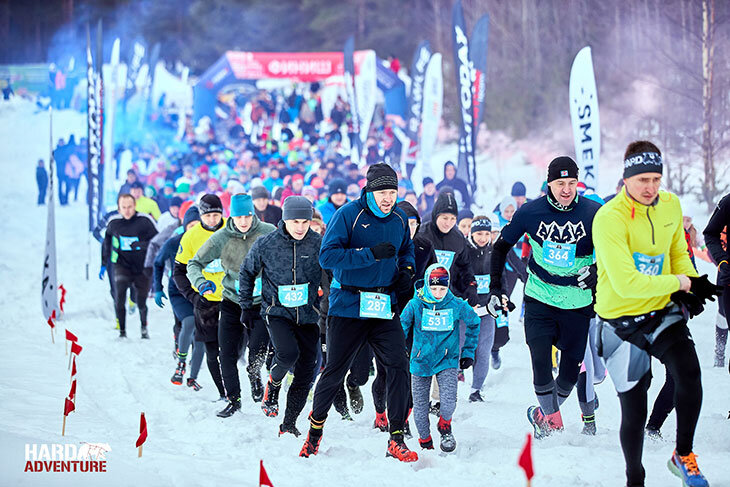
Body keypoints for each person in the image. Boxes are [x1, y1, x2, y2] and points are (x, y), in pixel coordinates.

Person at [594, 141, 720, 487]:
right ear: (625, 178)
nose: (650, 187)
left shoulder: (670, 205)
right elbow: (626, 283)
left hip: (659, 310)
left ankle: (684, 454)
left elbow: (678, 251)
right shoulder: (608, 219)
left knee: (688, 373)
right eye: (642, 180)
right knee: (635, 409)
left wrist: (691, 282)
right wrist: (680, 283)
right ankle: (635, 476)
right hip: (619, 322)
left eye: (656, 179)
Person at [300, 163, 418, 462]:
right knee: (335, 371)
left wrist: (406, 270)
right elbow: (327, 256)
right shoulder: (348, 215)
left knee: (399, 367)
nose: (388, 198)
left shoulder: (400, 218)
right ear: (369, 191)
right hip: (348, 306)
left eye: (392, 192)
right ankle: (314, 435)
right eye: (383, 192)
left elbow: (407, 250)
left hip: (382, 306)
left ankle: (396, 437)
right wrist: (370, 255)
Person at [488, 156, 601, 439]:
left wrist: (597, 272)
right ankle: (552, 425)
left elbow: (614, 254)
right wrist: (495, 288)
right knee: (540, 363)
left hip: (577, 302)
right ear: (549, 184)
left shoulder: (594, 213)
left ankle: (542, 416)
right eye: (560, 183)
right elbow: (500, 248)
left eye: (572, 183)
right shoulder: (530, 212)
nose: (566, 189)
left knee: (568, 378)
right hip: (539, 297)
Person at [187, 194, 275, 417]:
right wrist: (201, 282)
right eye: (238, 217)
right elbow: (194, 263)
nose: (243, 221)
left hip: (259, 303)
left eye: (247, 216)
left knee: (257, 349)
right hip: (232, 302)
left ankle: (254, 375)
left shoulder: (267, 232)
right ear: (231, 216)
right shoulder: (221, 237)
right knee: (225, 353)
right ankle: (234, 400)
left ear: (252, 214)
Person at [240, 196, 322, 434]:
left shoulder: (318, 243)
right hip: (276, 312)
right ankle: (273, 385)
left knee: (307, 372)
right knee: (287, 353)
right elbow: (246, 272)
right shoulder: (266, 243)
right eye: (294, 221)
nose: (300, 227)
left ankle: (289, 424)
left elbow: (332, 274)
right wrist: (246, 306)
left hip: (308, 315)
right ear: (284, 220)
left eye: (305, 222)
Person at [401, 264, 479, 452]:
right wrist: (399, 350)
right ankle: (425, 441)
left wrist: (468, 352)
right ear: (427, 285)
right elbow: (400, 327)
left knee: (449, 401)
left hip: (447, 359)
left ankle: (445, 425)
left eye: (442, 288)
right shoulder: (415, 304)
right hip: (420, 361)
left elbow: (475, 322)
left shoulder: (456, 304)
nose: (438, 293)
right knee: (420, 408)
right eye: (434, 288)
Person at [173, 194, 227, 401]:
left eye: (216, 215)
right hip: (206, 301)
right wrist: (193, 296)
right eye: (208, 216)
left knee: (232, 349)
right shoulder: (191, 237)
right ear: (201, 215)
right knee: (211, 349)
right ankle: (223, 393)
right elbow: (179, 271)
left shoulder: (232, 230)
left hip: (233, 299)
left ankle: (238, 387)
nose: (212, 220)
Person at [154, 207, 206, 391]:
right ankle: (181, 363)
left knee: (202, 334)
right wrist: (157, 288)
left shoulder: (209, 241)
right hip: (178, 292)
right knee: (190, 322)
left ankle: (193, 377)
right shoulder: (173, 242)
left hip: (201, 292)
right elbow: (158, 263)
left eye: (197, 225)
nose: (194, 229)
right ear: (185, 226)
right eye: (190, 225)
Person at [101, 193, 158, 338]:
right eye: (123, 207)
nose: (127, 210)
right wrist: (103, 263)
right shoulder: (114, 223)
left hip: (142, 267)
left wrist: (141, 245)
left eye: (130, 207)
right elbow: (106, 241)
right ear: (119, 209)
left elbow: (157, 241)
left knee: (141, 301)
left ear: (135, 206)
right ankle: (122, 331)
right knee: (119, 295)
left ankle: (143, 327)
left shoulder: (144, 221)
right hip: (122, 264)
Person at [464, 216, 499, 402]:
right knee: (460, 348)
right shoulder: (464, 250)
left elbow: (499, 278)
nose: (483, 237)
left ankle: (475, 390)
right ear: (471, 233)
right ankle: (449, 387)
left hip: (486, 310)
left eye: (487, 233)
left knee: (483, 351)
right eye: (479, 233)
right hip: (465, 309)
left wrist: (502, 296)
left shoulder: (494, 252)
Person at [703, 191, 730, 369]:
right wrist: (721, 260)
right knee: (722, 315)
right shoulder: (728, 202)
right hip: (728, 278)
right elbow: (710, 233)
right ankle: (720, 350)